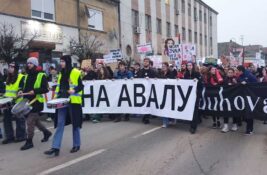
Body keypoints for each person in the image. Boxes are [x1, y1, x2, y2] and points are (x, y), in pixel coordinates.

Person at [44, 55, 84, 156]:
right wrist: (55, 97)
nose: (61, 63)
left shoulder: (75, 72)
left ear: (67, 62)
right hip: (61, 100)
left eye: (62, 61)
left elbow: (81, 86)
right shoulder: (61, 73)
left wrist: (73, 90)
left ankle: (76, 144)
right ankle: (55, 148)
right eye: (60, 61)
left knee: (75, 124)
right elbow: (60, 87)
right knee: (60, 123)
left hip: (73, 101)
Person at [19, 57, 52, 150]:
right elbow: (24, 87)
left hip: (36, 102)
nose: (28, 64)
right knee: (35, 121)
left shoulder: (41, 75)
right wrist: (21, 91)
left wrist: (35, 91)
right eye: (28, 63)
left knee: (30, 122)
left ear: (35, 64)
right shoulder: (26, 75)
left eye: (31, 63)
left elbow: (46, 89)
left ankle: (29, 142)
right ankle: (46, 132)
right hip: (27, 102)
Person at [2, 62, 26, 144]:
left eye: (12, 67)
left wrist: (19, 92)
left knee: (19, 119)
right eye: (9, 66)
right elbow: (7, 91)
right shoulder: (8, 78)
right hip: (7, 102)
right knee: (6, 120)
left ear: (16, 68)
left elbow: (21, 89)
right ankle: (9, 137)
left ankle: (21, 136)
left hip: (17, 102)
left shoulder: (21, 77)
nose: (10, 68)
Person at [236, 65, 257, 135]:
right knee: (246, 113)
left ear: (241, 71)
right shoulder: (240, 76)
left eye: (237, 71)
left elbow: (255, 84)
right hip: (243, 97)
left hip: (250, 97)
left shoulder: (249, 75)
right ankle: (247, 125)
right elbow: (239, 81)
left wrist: (247, 83)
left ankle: (250, 129)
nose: (236, 72)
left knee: (249, 113)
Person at [184, 62, 202, 134]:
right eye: (187, 65)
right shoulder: (186, 74)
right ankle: (195, 121)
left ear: (192, 66)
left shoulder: (197, 73)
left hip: (196, 94)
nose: (189, 67)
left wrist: (197, 81)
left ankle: (193, 127)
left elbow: (201, 83)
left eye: (190, 65)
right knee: (190, 110)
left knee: (195, 110)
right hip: (188, 95)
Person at [221, 68, 239, 133]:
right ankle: (225, 126)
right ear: (227, 73)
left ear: (233, 73)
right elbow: (221, 87)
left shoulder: (236, 79)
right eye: (229, 72)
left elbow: (240, 87)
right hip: (226, 99)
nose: (230, 73)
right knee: (226, 112)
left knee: (234, 111)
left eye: (231, 72)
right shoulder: (225, 80)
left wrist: (236, 83)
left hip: (234, 99)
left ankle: (234, 125)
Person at [139, 58, 157, 124]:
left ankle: (146, 117)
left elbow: (156, 79)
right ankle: (145, 116)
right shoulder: (140, 71)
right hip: (142, 91)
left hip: (150, 90)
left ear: (149, 63)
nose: (146, 63)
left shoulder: (153, 71)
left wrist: (153, 79)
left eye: (147, 62)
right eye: (144, 62)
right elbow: (138, 79)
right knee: (144, 104)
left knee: (149, 104)